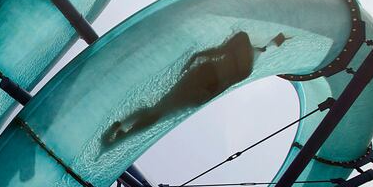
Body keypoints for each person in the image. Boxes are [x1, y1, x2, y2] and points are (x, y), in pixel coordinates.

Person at [102, 31, 289, 146]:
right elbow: (223, 80)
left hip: (203, 79)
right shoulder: (247, 65)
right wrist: (198, 58)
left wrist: (198, 56)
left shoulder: (244, 47)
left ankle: (123, 128)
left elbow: (219, 53)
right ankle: (122, 132)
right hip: (203, 85)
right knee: (160, 110)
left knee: (159, 108)